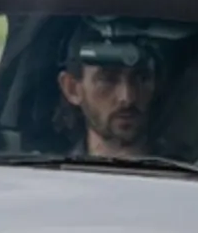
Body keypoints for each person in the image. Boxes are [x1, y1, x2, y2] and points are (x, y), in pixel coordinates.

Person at [53, 18, 173, 158]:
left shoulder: (194, 175)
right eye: (108, 80)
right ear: (72, 89)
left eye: (141, 78)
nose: (127, 97)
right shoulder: (51, 178)